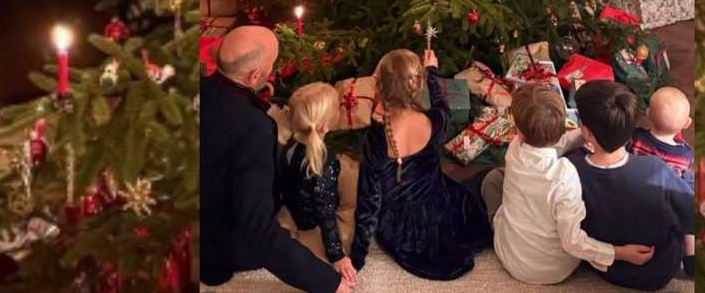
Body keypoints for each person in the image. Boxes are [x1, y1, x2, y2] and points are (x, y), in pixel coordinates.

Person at [199, 26, 350, 293]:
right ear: (255, 74)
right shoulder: (254, 128)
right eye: (272, 64)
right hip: (215, 242)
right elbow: (258, 230)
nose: (273, 70)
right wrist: (330, 283)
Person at [491, 82, 656, 285]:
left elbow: (551, 145)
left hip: (509, 254)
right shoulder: (564, 173)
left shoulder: (515, 147)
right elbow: (572, 242)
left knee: (491, 182)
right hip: (552, 270)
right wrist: (619, 253)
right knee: (567, 220)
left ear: (520, 132)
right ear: (563, 124)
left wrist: (588, 133)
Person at [349, 49, 492, 279]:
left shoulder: (376, 138)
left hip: (401, 228)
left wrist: (356, 258)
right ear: (418, 85)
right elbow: (442, 104)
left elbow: (369, 203)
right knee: (466, 197)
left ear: (379, 88)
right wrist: (432, 72)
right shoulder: (436, 120)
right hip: (437, 209)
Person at [568, 81, 696, 290]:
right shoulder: (657, 170)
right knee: (686, 187)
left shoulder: (571, 168)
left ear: (587, 132)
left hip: (607, 268)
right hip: (658, 271)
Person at [280, 82, 356, 287]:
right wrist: (337, 255)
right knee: (351, 200)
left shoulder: (288, 146)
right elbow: (325, 210)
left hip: (294, 202)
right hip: (309, 220)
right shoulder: (324, 161)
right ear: (326, 127)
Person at [629, 86, 695, 191]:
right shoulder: (686, 154)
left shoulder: (636, 137)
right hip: (666, 195)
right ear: (687, 124)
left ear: (648, 114)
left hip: (636, 186)